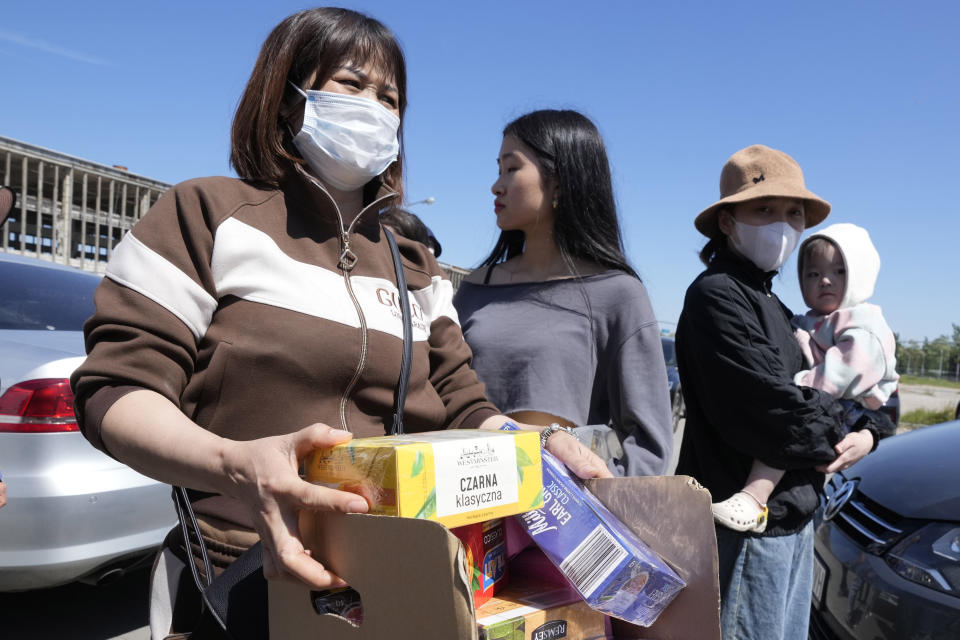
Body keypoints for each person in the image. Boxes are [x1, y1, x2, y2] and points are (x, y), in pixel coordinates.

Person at [69, 9, 608, 638]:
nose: (374, 108)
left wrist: (533, 444)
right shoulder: (205, 215)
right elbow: (116, 390)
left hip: (399, 577)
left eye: (390, 98)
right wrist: (235, 464)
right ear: (287, 93)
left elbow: (465, 404)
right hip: (246, 571)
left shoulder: (419, 268)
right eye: (352, 85)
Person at [675, 144, 889, 640]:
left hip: (793, 522)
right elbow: (777, 415)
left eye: (794, 213)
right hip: (747, 533)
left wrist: (871, 434)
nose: (783, 224)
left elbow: (859, 396)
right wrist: (839, 424)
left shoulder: (776, 304)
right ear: (728, 221)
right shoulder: (719, 295)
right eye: (764, 209)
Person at [453, 109, 674, 478]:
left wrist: (592, 504)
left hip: (558, 524)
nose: (497, 185)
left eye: (512, 168)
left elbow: (649, 446)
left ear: (559, 181)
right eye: (498, 169)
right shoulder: (474, 288)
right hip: (461, 508)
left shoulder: (618, 294)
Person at [711, 222, 898, 532]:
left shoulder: (865, 321)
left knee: (791, 429)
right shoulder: (814, 319)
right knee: (795, 424)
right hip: (831, 401)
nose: (824, 280)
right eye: (813, 274)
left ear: (860, 275)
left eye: (839, 271)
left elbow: (847, 369)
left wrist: (800, 388)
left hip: (853, 404)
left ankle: (754, 498)